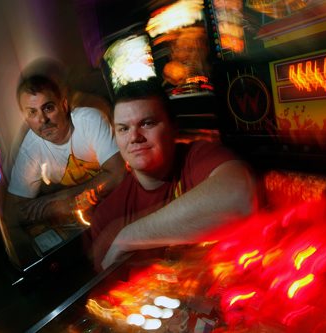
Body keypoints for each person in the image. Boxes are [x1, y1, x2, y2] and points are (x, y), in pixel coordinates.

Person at [91, 80, 257, 271]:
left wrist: (128, 236)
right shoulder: (106, 216)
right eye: (124, 129)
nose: (134, 137)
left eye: (147, 123)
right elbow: (105, 292)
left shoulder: (197, 157)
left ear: (173, 127)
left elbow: (240, 196)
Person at [5, 73, 126, 228]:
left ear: (63, 105)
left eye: (48, 108)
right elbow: (15, 212)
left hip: (122, 202)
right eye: (32, 112)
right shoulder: (30, 148)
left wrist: (64, 198)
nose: (43, 119)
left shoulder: (89, 120)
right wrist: (58, 206)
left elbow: (118, 174)